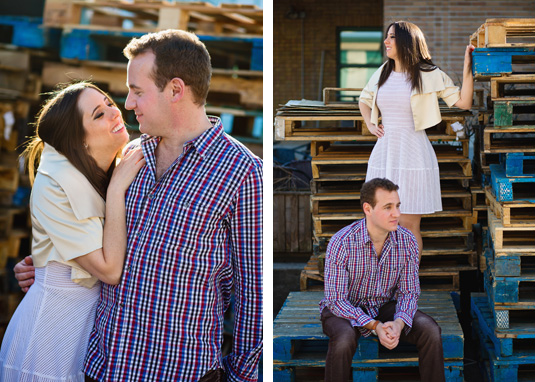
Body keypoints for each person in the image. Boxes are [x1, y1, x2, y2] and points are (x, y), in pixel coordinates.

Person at [14, 29, 263, 381]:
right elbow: (92, 238)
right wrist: (47, 266)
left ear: (175, 90)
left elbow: (254, 293)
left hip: (179, 373)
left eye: (137, 91)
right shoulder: (127, 157)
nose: (127, 104)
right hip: (102, 367)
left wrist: (242, 377)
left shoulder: (242, 172)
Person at [0, 82, 143, 381]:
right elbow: (110, 270)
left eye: (108, 103)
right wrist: (117, 189)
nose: (115, 113)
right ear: (79, 142)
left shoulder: (117, 165)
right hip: (50, 335)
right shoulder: (56, 183)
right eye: (98, 114)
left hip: (91, 330)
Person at [359, 21, 474, 251]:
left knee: (409, 225)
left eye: (391, 37)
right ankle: (382, 283)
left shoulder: (430, 74)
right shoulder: (383, 72)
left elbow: (463, 102)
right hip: (385, 155)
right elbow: (364, 99)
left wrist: (467, 66)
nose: (386, 42)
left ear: (406, 41)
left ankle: (408, 284)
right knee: (379, 226)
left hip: (414, 156)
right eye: (387, 37)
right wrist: (371, 124)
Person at [319, 178, 444, 382]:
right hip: (344, 310)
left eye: (397, 206)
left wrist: (399, 322)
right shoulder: (342, 242)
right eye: (388, 207)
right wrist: (374, 325)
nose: (396, 214)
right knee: (344, 339)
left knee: (430, 330)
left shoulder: (407, 241)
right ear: (368, 209)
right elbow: (336, 300)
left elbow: (409, 292)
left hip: (384, 305)